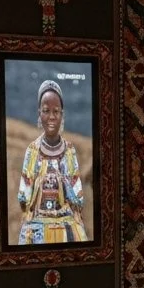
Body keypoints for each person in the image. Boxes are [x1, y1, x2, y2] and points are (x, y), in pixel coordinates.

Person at [16, 80, 89, 245]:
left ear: (62, 114)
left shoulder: (69, 151)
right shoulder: (32, 151)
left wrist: (61, 183)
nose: (51, 117)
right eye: (46, 111)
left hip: (66, 220)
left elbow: (78, 199)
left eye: (56, 111)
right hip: (37, 221)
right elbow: (23, 197)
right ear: (39, 114)